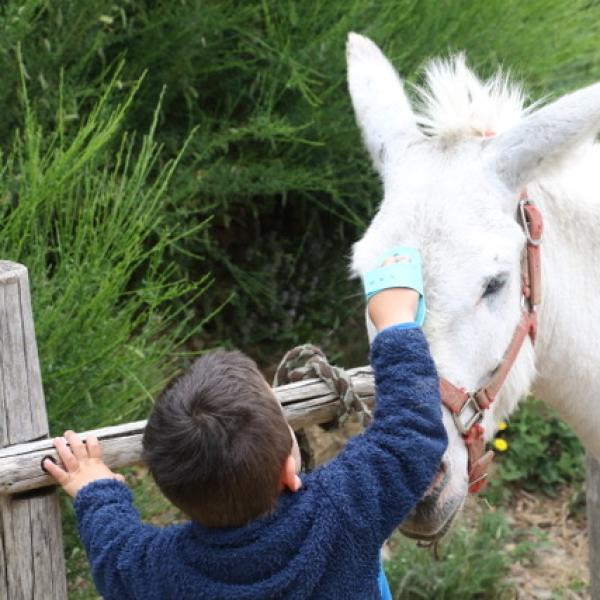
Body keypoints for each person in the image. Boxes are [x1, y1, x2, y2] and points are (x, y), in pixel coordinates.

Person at [44, 247, 447, 600]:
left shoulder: (160, 572)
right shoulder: (344, 510)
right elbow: (410, 435)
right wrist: (394, 323)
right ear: (290, 471)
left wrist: (94, 488)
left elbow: (115, 552)